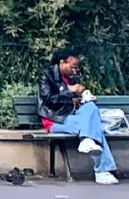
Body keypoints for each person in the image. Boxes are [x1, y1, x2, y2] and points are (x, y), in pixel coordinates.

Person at [35, 50, 119, 185]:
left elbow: (75, 100)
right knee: (95, 127)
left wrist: (82, 97)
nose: (75, 70)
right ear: (62, 62)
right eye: (73, 66)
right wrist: (70, 91)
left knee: (91, 106)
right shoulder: (47, 75)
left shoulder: (72, 77)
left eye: (77, 67)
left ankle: (87, 140)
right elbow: (48, 100)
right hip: (55, 119)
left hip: (72, 115)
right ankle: (102, 170)